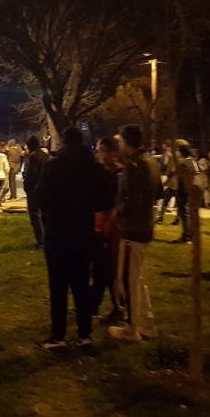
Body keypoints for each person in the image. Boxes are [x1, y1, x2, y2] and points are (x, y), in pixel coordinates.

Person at [34, 127, 108, 352]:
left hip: (58, 232)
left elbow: (40, 198)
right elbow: (104, 200)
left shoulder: (53, 166)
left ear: (64, 142)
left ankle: (58, 336)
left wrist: (55, 208)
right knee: (82, 284)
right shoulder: (93, 167)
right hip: (84, 232)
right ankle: (85, 335)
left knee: (58, 287)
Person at [109, 124, 163, 342]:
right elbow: (158, 192)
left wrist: (118, 212)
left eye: (121, 140)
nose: (119, 144)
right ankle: (146, 324)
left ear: (126, 141)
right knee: (138, 278)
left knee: (127, 280)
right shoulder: (151, 161)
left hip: (133, 229)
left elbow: (133, 199)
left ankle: (131, 329)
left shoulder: (134, 165)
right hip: (145, 226)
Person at [90, 136, 121, 322]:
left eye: (102, 150)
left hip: (110, 226)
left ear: (112, 152)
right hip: (97, 223)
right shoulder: (99, 171)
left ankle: (116, 306)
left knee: (106, 269)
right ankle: (96, 305)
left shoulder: (119, 174)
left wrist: (109, 223)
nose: (99, 154)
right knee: (101, 268)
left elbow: (118, 202)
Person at [23, 135, 50, 247]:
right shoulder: (45, 156)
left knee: (35, 215)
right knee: (44, 215)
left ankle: (40, 240)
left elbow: (30, 174)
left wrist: (27, 186)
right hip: (45, 188)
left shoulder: (32, 156)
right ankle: (47, 238)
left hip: (34, 189)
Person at [172, 140, 199, 243]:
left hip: (185, 192)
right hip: (193, 190)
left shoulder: (184, 163)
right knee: (190, 213)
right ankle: (191, 235)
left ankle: (186, 235)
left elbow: (183, 178)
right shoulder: (194, 161)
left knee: (185, 213)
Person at [156, 140, 176, 225]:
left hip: (171, 181)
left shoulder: (169, 154)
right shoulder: (173, 155)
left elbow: (167, 165)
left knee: (165, 196)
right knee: (170, 197)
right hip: (173, 182)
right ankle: (163, 216)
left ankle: (161, 216)